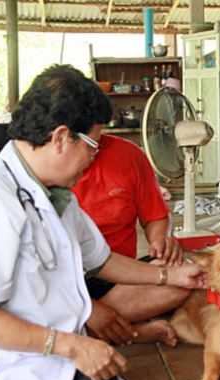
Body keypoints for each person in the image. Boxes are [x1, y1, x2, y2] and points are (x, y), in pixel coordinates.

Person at [0, 64, 203, 380]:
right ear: (60, 137)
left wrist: (171, 277)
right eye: (92, 146)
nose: (94, 157)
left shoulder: (54, 196)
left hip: (48, 370)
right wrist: (72, 346)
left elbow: (102, 261)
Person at [73, 134, 188, 347]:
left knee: (182, 275)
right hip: (65, 282)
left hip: (120, 276)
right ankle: (128, 331)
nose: (93, 150)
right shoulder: (51, 174)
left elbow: (154, 215)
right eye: (87, 143)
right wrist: (87, 307)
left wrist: (160, 242)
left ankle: (91, 328)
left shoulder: (128, 155)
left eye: (96, 139)